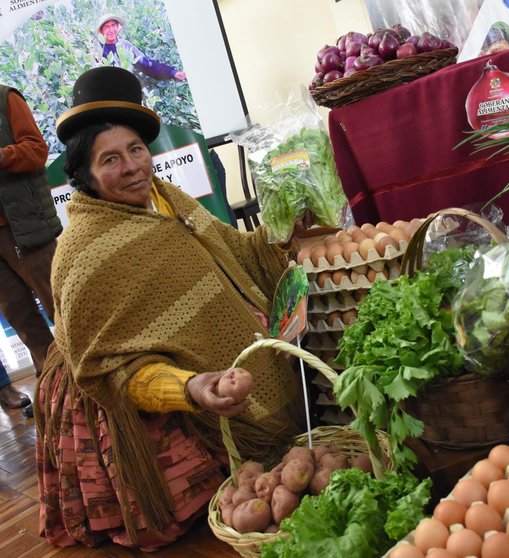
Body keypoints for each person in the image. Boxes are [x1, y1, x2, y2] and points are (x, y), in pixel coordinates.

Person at [35, 66, 304, 550]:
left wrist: (283, 231)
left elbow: (234, 252)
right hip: (127, 381)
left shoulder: (164, 196)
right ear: (83, 176)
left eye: (136, 149)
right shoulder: (83, 251)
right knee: (189, 520)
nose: (133, 166)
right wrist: (193, 386)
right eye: (111, 159)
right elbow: (108, 366)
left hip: (198, 360)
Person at [0, 83, 62, 396]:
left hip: (24, 227)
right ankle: (60, 392)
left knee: (61, 307)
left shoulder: (5, 98)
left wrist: (1, 155)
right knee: (20, 318)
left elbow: (37, 150)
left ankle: (98, 384)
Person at [96, 13, 187, 82]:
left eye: (113, 25)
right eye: (107, 27)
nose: (111, 30)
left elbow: (147, 65)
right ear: (101, 30)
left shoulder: (125, 45)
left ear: (117, 27)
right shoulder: (96, 50)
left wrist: (173, 73)